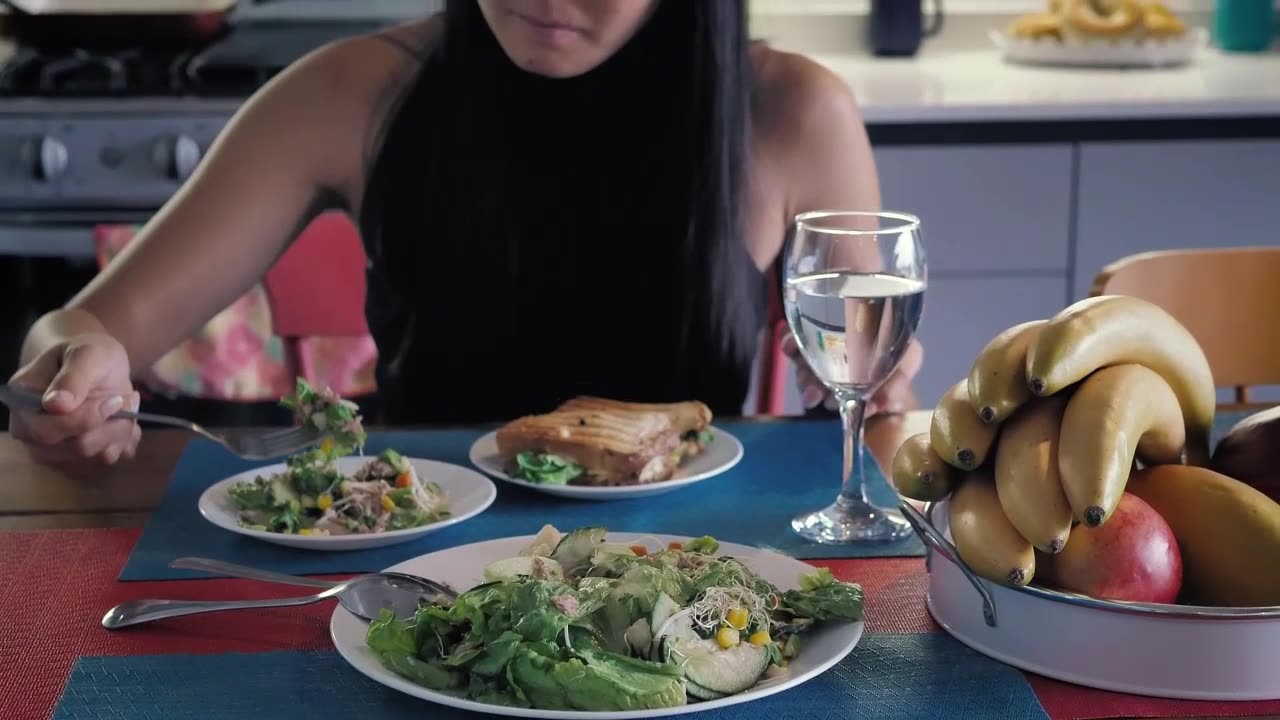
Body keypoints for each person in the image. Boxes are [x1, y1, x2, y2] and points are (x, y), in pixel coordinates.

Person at [7, 0, 922, 466]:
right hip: (417, 587)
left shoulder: (793, 113)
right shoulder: (352, 91)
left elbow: (870, 401)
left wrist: (873, 391)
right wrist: (72, 375)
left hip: (693, 601)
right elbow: (81, 329)